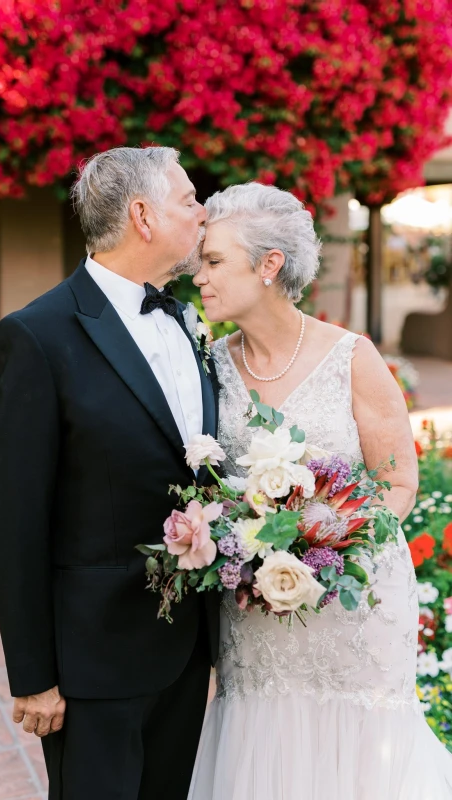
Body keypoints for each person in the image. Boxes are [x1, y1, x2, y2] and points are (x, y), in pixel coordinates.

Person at [188, 182, 452, 799]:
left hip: (350, 607)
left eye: (214, 260)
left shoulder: (351, 358)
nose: (199, 275)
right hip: (255, 613)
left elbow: (398, 481)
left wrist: (323, 547)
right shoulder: (209, 365)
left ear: (269, 265)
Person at [0, 146, 220, 800]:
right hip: (95, 663)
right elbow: (12, 517)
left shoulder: (188, 321)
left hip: (188, 651)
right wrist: (33, 674)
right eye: (189, 200)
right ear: (142, 215)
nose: (203, 214)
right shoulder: (34, 337)